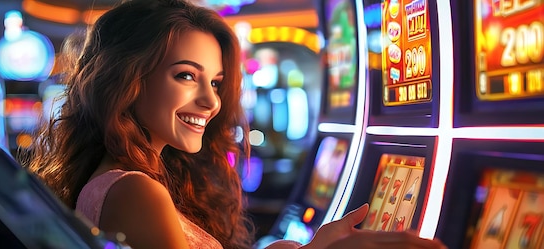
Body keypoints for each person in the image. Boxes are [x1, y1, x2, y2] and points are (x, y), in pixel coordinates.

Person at [22, 0, 447, 248]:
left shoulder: (128, 178)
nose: (210, 100)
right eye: (186, 75)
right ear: (129, 79)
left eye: (216, 82)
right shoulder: (135, 191)